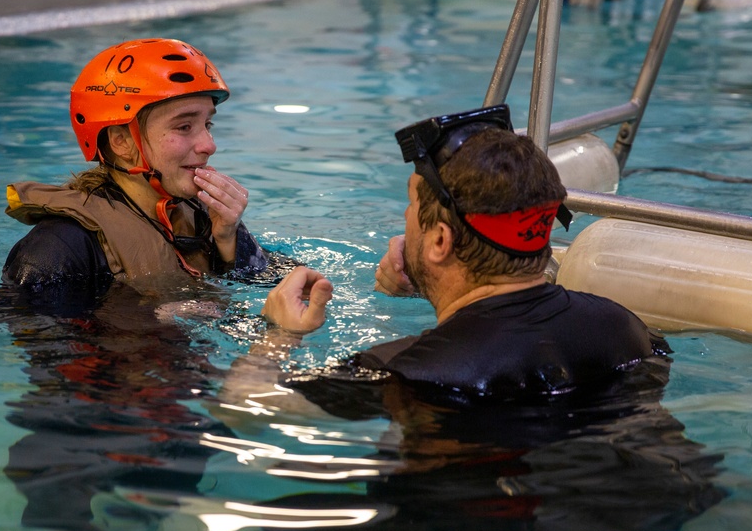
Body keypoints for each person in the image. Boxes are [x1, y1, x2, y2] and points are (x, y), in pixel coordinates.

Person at [261, 104, 662, 397]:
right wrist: (434, 281)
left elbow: (247, 409)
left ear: (439, 242)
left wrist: (279, 336)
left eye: (412, 204)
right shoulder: (627, 329)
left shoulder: (407, 373)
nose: (404, 216)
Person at [2, 38, 268, 311]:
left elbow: (278, 287)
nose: (209, 145)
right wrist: (154, 321)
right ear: (122, 142)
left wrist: (229, 241)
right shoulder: (58, 249)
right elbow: (35, 338)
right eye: (184, 126)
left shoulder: (201, 215)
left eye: (207, 124)